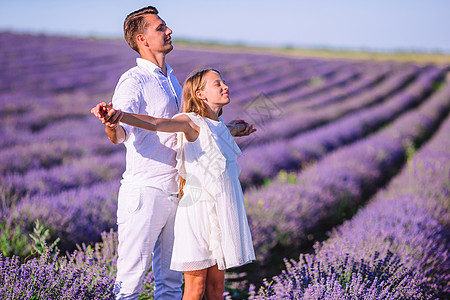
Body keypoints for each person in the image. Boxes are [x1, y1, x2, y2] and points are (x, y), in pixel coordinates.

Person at [91, 6, 254, 300]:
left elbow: (191, 128)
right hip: (147, 190)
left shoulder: (172, 80)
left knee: (169, 283)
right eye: (160, 28)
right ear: (142, 39)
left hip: (179, 193)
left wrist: (229, 129)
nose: (169, 31)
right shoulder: (134, 80)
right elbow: (119, 135)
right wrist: (113, 119)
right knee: (130, 280)